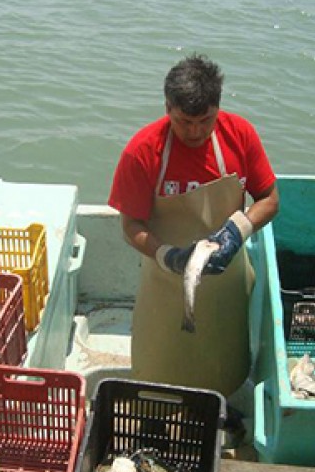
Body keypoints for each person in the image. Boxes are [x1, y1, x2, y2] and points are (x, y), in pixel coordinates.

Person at [108, 53, 279, 399]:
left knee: (223, 361)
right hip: (166, 280)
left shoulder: (240, 135)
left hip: (227, 278)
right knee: (159, 367)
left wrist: (238, 231)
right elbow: (131, 226)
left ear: (218, 108)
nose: (196, 131)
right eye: (184, 121)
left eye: (206, 120)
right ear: (167, 107)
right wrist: (166, 255)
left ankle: (220, 407)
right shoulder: (142, 151)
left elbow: (270, 199)